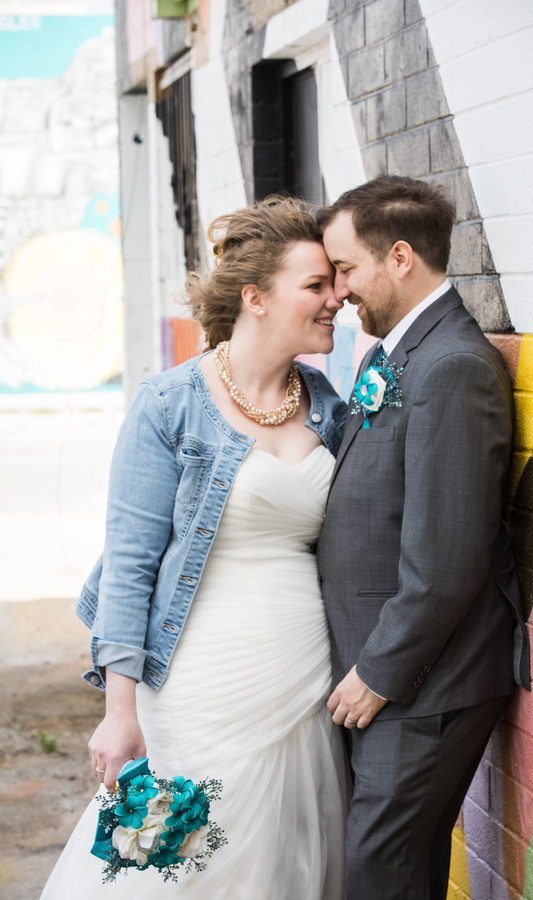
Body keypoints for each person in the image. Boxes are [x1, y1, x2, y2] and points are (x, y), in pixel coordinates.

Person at [40, 196, 349, 899]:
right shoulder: (169, 404)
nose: (335, 298)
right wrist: (119, 713)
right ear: (255, 298)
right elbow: (128, 566)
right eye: (315, 285)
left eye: (334, 283)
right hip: (196, 686)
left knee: (286, 865)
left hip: (304, 680)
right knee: (176, 866)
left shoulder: (331, 407)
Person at [316, 175, 531, 900]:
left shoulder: (453, 366)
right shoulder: (394, 354)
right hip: (390, 674)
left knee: (379, 871)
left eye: (345, 268)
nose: (339, 290)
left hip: (422, 683)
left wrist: (380, 672)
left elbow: (446, 557)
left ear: (400, 257)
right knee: (393, 872)